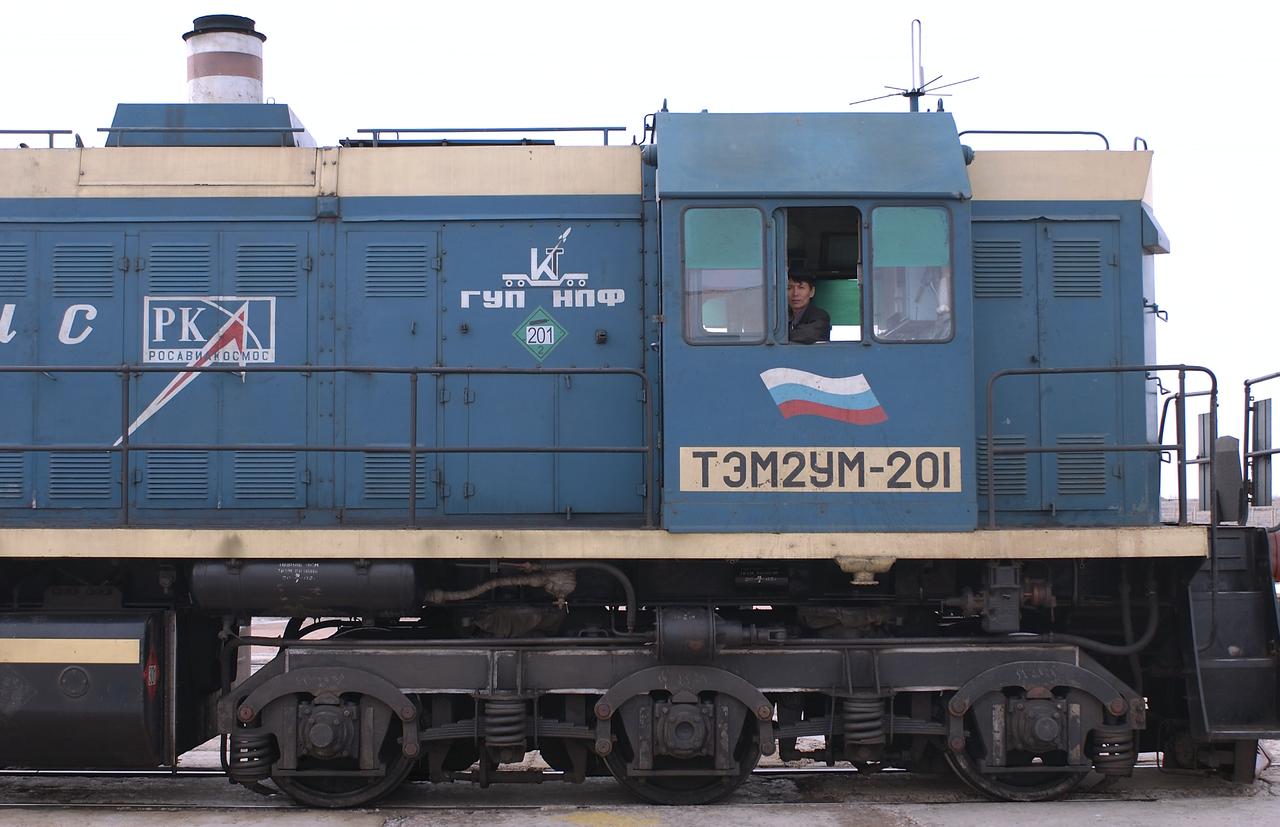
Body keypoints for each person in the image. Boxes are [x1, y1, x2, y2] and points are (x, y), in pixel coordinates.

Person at [787, 272, 831, 344]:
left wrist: (780, 335)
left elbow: (808, 335)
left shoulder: (820, 316)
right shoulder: (780, 317)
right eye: (789, 288)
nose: (795, 293)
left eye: (801, 288)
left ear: (812, 292)